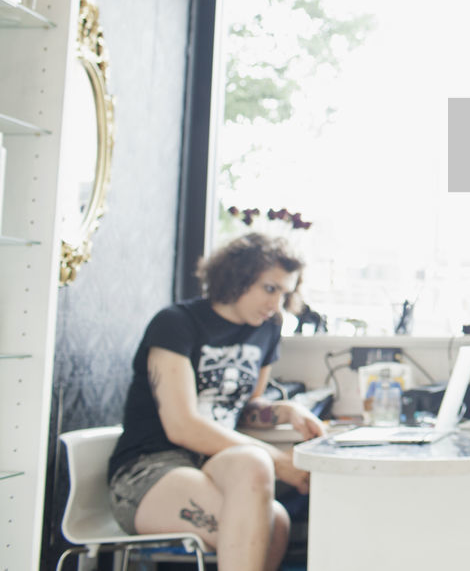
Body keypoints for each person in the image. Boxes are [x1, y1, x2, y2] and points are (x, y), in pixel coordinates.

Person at [107, 233, 324, 571]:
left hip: (209, 466)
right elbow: (182, 426)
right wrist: (280, 462)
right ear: (237, 277)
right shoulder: (176, 324)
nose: (276, 305)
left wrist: (284, 411)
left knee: (277, 518)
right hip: (148, 471)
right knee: (260, 482)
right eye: (270, 289)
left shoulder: (266, 331)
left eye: (285, 293)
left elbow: (242, 407)